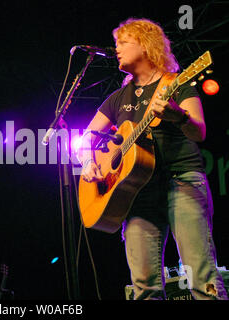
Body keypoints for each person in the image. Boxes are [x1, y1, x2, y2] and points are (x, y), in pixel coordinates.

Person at [79, 18, 228, 300]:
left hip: (181, 181)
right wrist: (89, 163)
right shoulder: (116, 98)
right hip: (136, 195)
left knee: (201, 275)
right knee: (144, 287)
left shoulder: (178, 84)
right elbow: (86, 137)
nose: (116, 48)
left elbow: (199, 132)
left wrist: (178, 116)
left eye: (123, 42)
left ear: (146, 45)